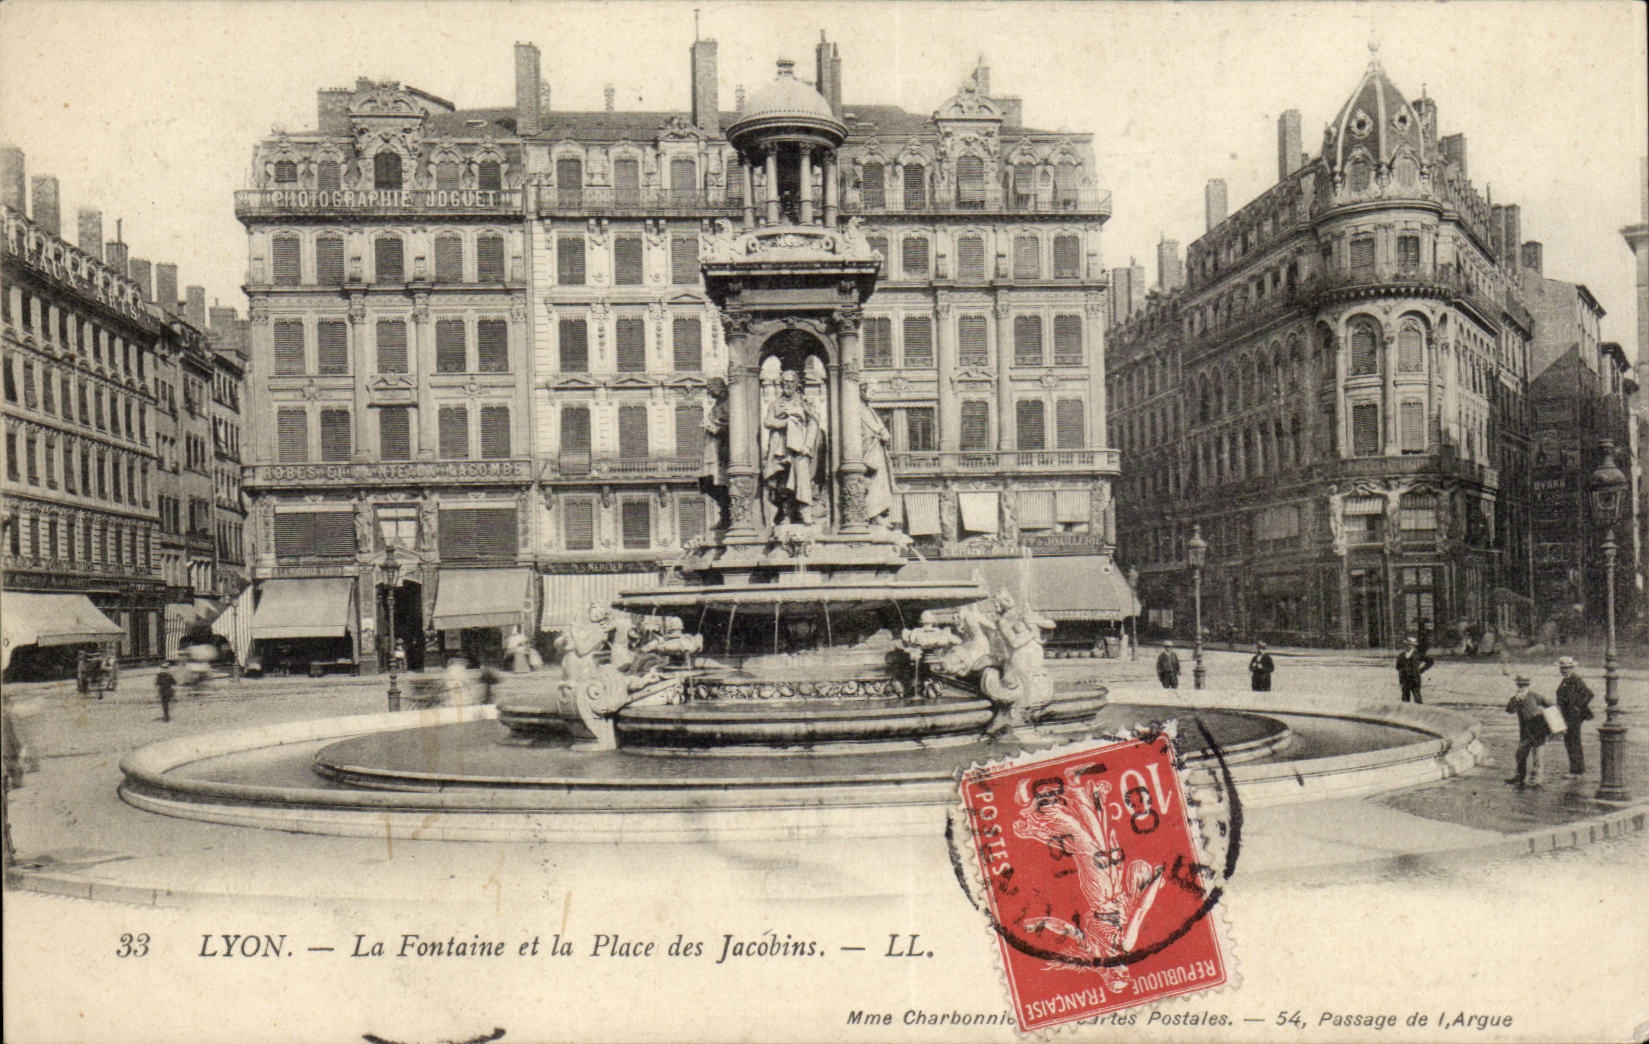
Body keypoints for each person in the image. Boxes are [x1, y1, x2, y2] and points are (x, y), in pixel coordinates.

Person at [762, 369, 824, 525]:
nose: (786, 385)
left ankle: (805, 512)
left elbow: (813, 423)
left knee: (801, 480)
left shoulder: (804, 402)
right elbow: (767, 421)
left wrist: (807, 445)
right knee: (781, 481)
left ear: (797, 384)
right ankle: (785, 514)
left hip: (799, 447)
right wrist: (784, 423)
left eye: (790, 382)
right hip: (780, 448)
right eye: (784, 382)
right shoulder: (776, 403)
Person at [1504, 674, 1555, 788]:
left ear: (1528, 685)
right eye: (1520, 685)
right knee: (1520, 754)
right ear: (1517, 685)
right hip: (1525, 732)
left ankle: (1536, 779)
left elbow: (1550, 705)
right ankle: (1520, 776)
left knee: (1538, 756)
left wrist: (1549, 722)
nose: (1521, 688)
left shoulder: (1534, 696)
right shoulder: (1515, 699)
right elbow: (1509, 710)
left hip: (1538, 730)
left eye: (1524, 685)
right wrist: (1515, 701)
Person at [1554, 655, 1595, 778]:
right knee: (1570, 741)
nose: (1564, 670)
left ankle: (1577, 771)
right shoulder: (1566, 680)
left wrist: (1578, 706)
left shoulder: (1576, 679)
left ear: (1571, 668)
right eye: (1562, 668)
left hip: (1574, 716)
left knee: (1573, 741)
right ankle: (1576, 769)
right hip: (1567, 715)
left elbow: (1589, 694)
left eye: (1566, 668)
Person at [1395, 634, 1434, 704]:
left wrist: (1420, 670)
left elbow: (1430, 661)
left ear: (1414, 646)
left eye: (1411, 645)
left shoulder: (1417, 655)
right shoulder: (1401, 655)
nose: (1409, 646)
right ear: (1405, 645)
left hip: (1414, 679)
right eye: (1407, 644)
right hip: (1404, 680)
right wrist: (1403, 671)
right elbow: (1398, 666)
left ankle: (1420, 713)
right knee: (1405, 699)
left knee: (1417, 698)